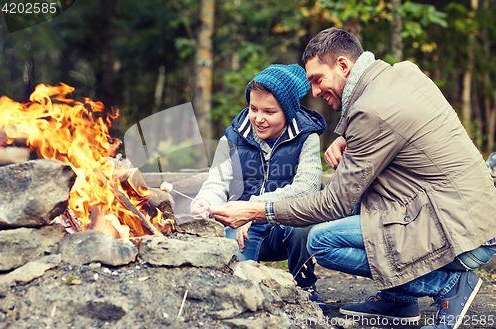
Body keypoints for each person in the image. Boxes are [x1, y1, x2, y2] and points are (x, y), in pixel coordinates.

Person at [209, 28, 496, 329]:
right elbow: (399, 129)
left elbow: (334, 203)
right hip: (474, 218)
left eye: (317, 79)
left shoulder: (372, 111)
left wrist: (256, 210)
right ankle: (398, 300)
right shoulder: (402, 74)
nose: (315, 92)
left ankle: (446, 286)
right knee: (364, 206)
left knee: (322, 240)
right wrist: (347, 136)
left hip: (462, 237)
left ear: (343, 66)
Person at [190, 64, 327, 302]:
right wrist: (205, 201)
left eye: (269, 112)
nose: (259, 119)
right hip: (244, 229)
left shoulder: (307, 138)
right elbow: (217, 183)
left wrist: (253, 208)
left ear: (288, 111)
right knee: (240, 287)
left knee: (304, 222)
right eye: (253, 108)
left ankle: (304, 287)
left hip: (284, 229)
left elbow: (308, 188)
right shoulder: (233, 137)